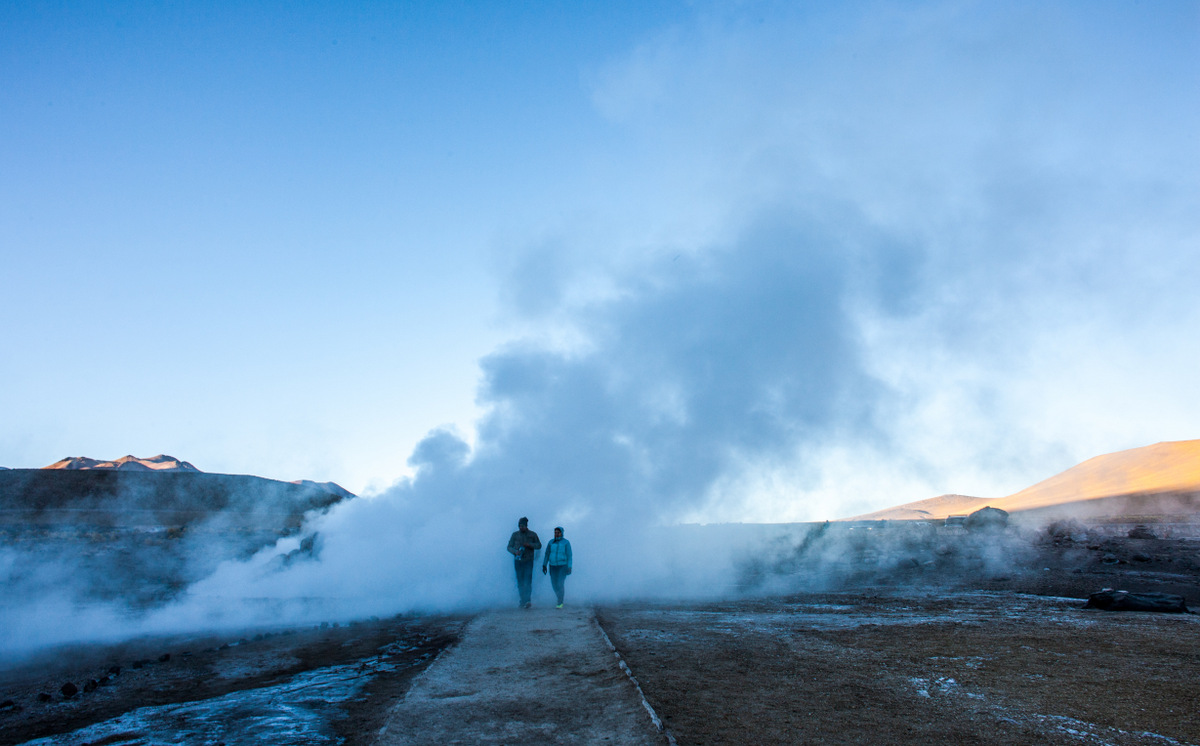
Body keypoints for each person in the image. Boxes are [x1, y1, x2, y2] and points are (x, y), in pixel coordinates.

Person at [506, 517, 541, 608]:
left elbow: (539, 545)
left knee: (528, 581)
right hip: (518, 561)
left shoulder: (533, 534)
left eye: (522, 526)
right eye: (519, 526)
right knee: (520, 581)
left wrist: (530, 545)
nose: (521, 528)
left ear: (526, 526)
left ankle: (528, 600)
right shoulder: (515, 535)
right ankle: (522, 600)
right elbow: (509, 547)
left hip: (528, 561)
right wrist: (515, 551)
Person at [541, 526, 572, 608]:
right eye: (555, 532)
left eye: (558, 532)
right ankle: (559, 597)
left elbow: (569, 555)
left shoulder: (566, 542)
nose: (556, 534)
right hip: (553, 566)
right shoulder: (551, 542)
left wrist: (569, 566)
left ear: (561, 533)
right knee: (554, 583)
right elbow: (547, 554)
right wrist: (544, 565)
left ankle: (560, 601)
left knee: (560, 583)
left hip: (563, 565)